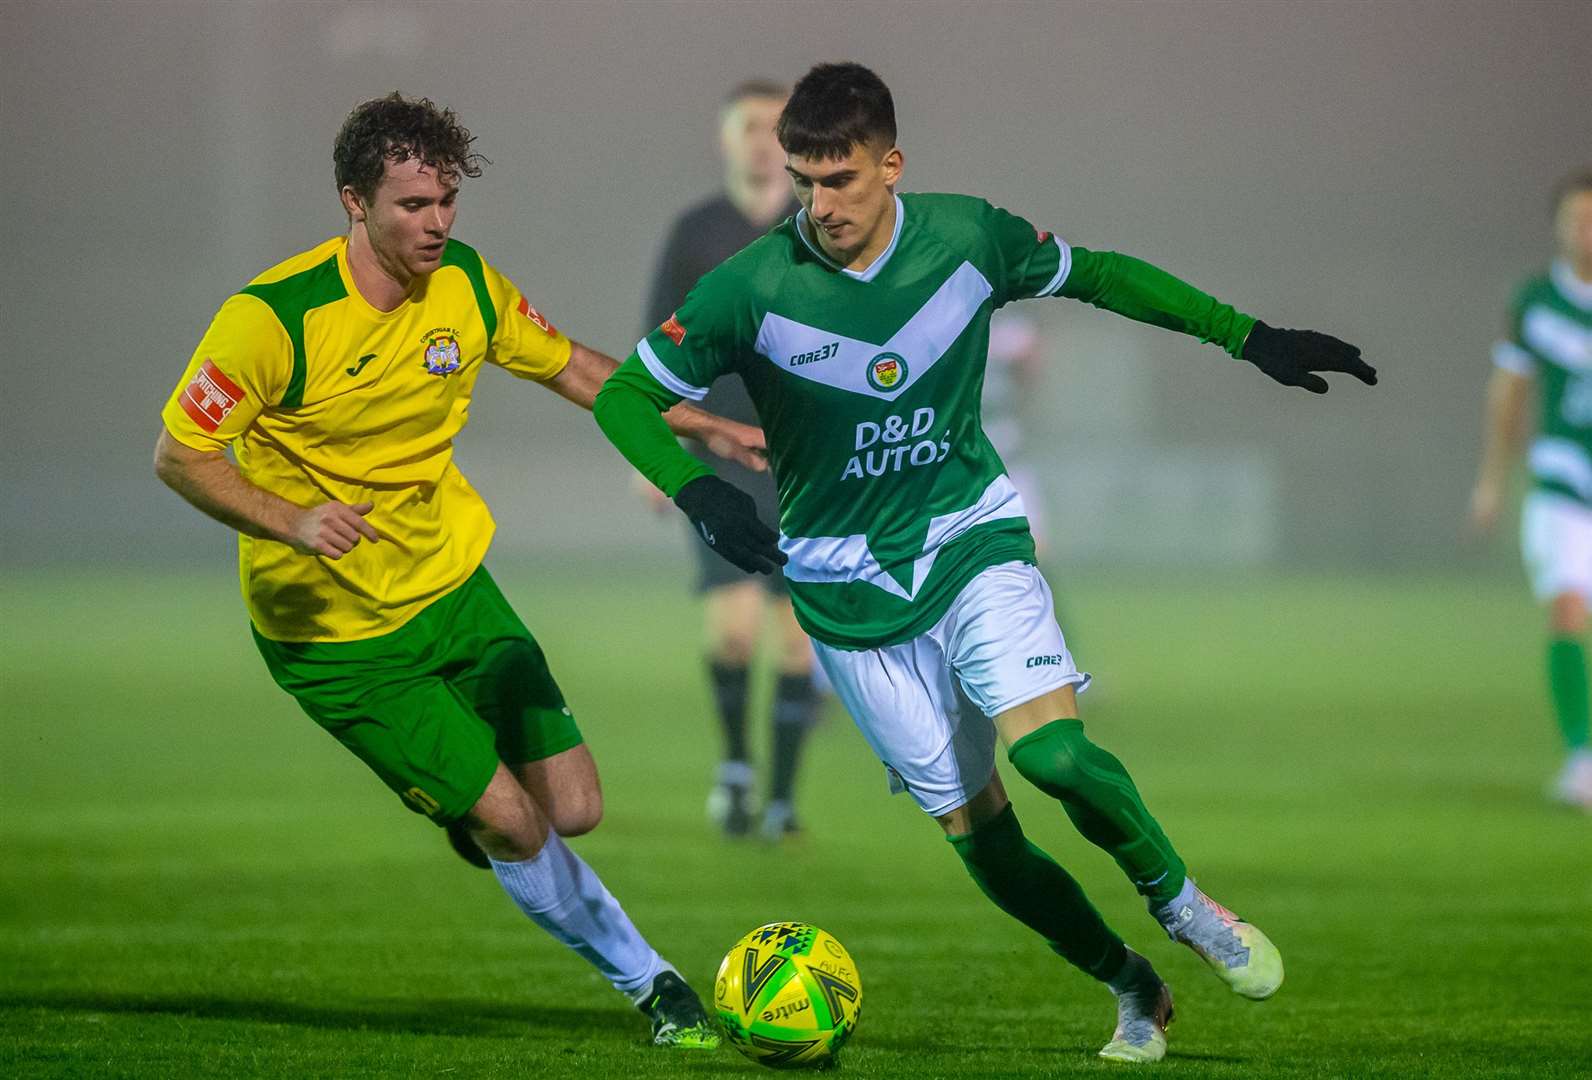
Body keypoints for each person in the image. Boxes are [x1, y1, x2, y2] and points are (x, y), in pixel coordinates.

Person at [593, 63, 1376, 1063]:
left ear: (890, 164)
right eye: (802, 181)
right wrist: (698, 492)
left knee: (1050, 754)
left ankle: (1181, 905)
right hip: (840, 590)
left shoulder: (965, 237)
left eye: (839, 180)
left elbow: (1096, 273)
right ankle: (1129, 982)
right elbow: (623, 395)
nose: (817, 205)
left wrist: (1245, 334)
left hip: (966, 538)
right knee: (985, 843)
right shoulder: (748, 288)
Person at [153, 92, 764, 1049]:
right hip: (337, 637)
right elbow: (180, 454)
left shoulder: (467, 285)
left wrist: (704, 423)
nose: (436, 223)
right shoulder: (272, 319)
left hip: (453, 588)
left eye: (446, 202)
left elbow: (575, 371)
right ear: (354, 203)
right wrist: (292, 519)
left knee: (576, 808)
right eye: (411, 206)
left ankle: (473, 812)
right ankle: (656, 988)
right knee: (520, 826)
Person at [640, 79, 814, 840]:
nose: (759, 139)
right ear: (725, 138)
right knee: (736, 633)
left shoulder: (819, 226)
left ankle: (781, 799)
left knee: (802, 638)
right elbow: (654, 347)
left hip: (806, 462)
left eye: (772, 127)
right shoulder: (696, 231)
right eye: (747, 126)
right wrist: (652, 454)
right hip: (716, 453)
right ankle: (738, 768)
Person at [1469, 169, 1592, 811]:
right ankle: (1583, 758)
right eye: (1575, 220)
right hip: (1563, 480)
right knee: (1568, 607)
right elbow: (1509, 393)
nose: (1585, 232)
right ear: (1558, 227)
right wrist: (1493, 480)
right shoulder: (1537, 300)